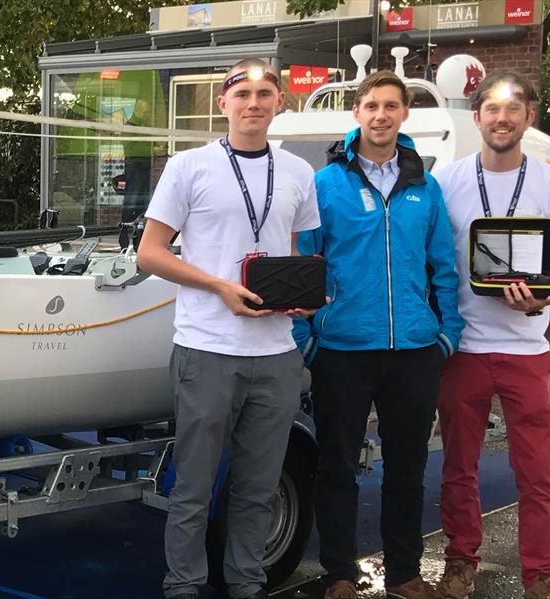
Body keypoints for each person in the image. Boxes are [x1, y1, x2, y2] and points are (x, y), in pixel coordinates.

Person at [137, 58, 320, 599]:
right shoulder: (189, 166)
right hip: (207, 348)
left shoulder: (298, 173)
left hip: (276, 354)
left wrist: (300, 298)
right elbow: (149, 253)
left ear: (280, 102)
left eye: (266, 93)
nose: (254, 102)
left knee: (259, 487)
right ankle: (184, 586)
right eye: (242, 93)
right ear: (223, 103)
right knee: (193, 487)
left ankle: (246, 582)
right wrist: (219, 287)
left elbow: (292, 253)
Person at [293, 70, 464, 599]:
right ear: (357, 113)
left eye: (391, 106)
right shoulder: (326, 184)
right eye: (371, 106)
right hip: (341, 349)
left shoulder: (425, 186)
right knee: (337, 466)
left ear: (404, 114)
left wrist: (446, 335)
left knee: (408, 468)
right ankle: (340, 573)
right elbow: (304, 264)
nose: (381, 115)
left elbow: (444, 268)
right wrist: (308, 338)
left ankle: (405, 573)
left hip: (414, 350)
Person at [433, 72, 550, 599]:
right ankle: (460, 561)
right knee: (459, 466)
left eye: (513, 109)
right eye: (492, 109)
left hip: (526, 348)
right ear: (477, 117)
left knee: (537, 472)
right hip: (466, 349)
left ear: (530, 117)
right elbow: (434, 264)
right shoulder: (447, 182)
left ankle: (541, 573)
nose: (502, 118)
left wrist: (544, 298)